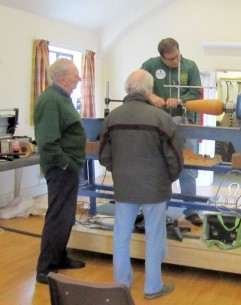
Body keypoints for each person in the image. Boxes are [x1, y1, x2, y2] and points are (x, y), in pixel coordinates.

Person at [99, 69, 183, 299]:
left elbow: (104, 156)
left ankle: (121, 285)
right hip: (155, 188)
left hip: (125, 187)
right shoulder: (161, 118)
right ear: (148, 90)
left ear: (128, 89)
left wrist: (120, 172)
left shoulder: (112, 118)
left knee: (121, 236)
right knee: (154, 236)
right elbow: (175, 158)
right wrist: (169, 178)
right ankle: (152, 287)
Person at [34, 58, 87, 284]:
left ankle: (60, 256)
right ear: (63, 78)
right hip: (61, 169)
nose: (79, 79)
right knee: (57, 216)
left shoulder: (61, 98)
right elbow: (48, 142)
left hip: (68, 167)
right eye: (76, 75)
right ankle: (45, 268)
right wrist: (65, 164)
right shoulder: (51, 100)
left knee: (66, 216)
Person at [141, 37, 203, 226]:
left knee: (188, 167)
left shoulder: (190, 66)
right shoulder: (150, 65)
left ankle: (192, 210)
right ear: (162, 57)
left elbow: (196, 93)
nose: (175, 61)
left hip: (185, 123)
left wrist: (180, 100)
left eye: (177, 56)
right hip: (157, 123)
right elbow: (138, 87)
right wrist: (151, 96)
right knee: (159, 166)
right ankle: (159, 208)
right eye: (170, 59)